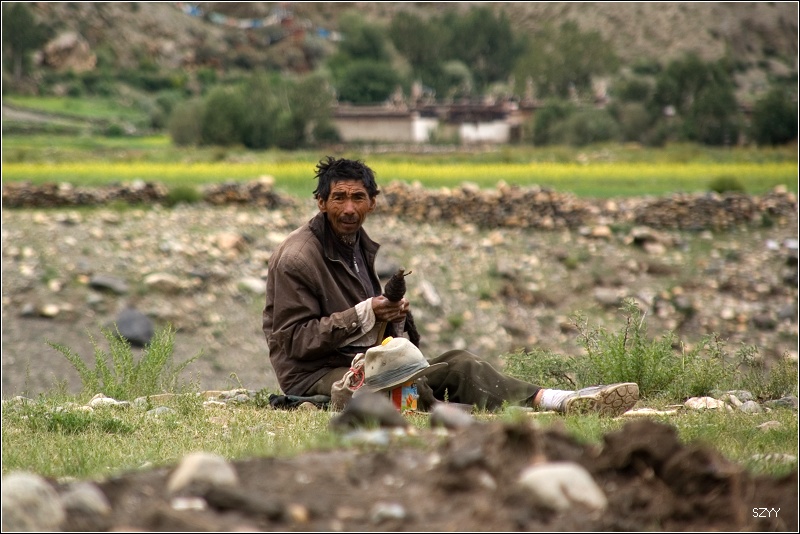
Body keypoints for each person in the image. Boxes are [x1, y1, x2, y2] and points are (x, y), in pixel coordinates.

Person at [262, 156, 639, 415]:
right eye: (339, 198)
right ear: (321, 202)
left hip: (364, 362)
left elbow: (386, 337)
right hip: (315, 375)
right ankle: (447, 411)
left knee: (460, 364)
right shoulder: (297, 257)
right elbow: (294, 341)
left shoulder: (356, 245)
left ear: (372, 203)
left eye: (358, 198)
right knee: (393, 382)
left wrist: (394, 317)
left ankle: (558, 400)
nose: (348, 208)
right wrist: (365, 313)